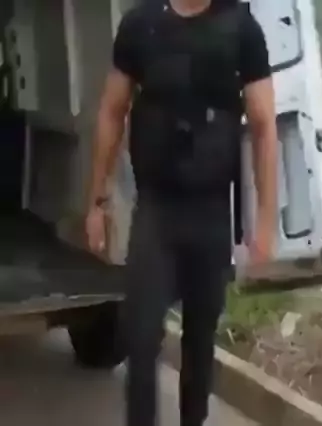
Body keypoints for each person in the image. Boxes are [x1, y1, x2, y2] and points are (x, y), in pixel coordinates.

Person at [85, 0, 278, 425]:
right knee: (139, 336)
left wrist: (265, 223)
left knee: (199, 344)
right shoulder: (140, 24)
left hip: (211, 213)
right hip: (157, 211)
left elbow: (264, 125)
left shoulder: (241, 28)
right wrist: (96, 202)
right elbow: (112, 111)